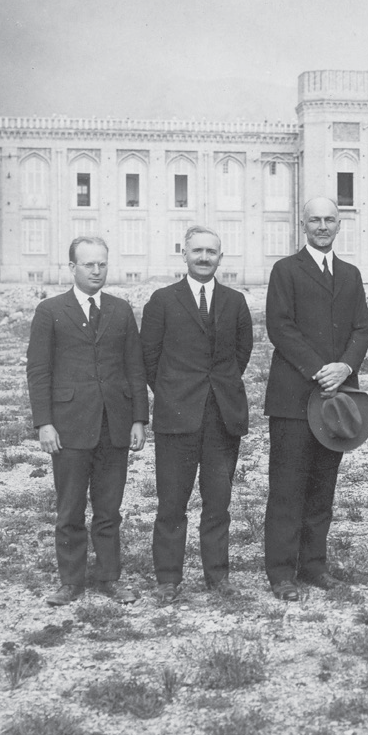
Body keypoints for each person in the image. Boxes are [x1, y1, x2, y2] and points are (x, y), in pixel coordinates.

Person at [26, 237, 149, 606]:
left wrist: (139, 419)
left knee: (109, 510)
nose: (97, 271)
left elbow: (135, 368)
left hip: (115, 424)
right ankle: (71, 581)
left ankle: (110, 577)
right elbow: (39, 371)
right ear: (72, 268)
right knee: (70, 509)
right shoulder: (51, 311)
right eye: (88, 265)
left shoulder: (120, 310)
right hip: (69, 426)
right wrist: (44, 423)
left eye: (102, 265)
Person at [263, 197, 368, 601]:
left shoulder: (350, 274)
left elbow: (362, 327)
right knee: (287, 486)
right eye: (315, 221)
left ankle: (313, 566)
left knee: (323, 486)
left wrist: (344, 368)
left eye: (329, 220)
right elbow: (281, 327)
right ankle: (281, 573)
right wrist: (318, 369)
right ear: (303, 225)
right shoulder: (285, 271)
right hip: (294, 398)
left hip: (338, 400)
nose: (322, 226)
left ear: (339, 225)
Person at [141, 225, 253, 601]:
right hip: (177, 416)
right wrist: (175, 394)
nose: (204, 257)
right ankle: (168, 579)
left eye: (211, 252)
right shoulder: (163, 300)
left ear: (221, 257)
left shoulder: (235, 301)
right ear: (184, 255)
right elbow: (149, 358)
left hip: (222, 417)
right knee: (172, 502)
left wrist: (215, 390)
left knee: (218, 501)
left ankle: (217, 576)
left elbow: (241, 355)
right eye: (197, 251)